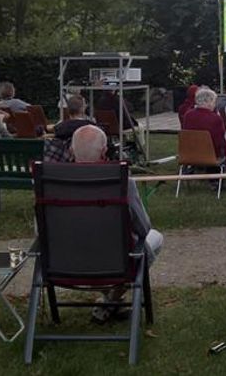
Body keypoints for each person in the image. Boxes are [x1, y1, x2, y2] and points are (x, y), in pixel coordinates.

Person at [70, 125, 163, 323]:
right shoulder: (121, 182)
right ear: (104, 151)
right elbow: (144, 228)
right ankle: (111, 300)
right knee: (155, 238)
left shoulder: (51, 182)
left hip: (65, 262)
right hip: (115, 262)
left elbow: (40, 231)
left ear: (72, 150)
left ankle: (108, 302)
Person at [181, 87, 225, 159]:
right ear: (209, 102)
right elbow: (219, 141)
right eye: (214, 102)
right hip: (211, 155)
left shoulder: (187, 115)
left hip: (189, 153)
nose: (215, 105)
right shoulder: (216, 118)